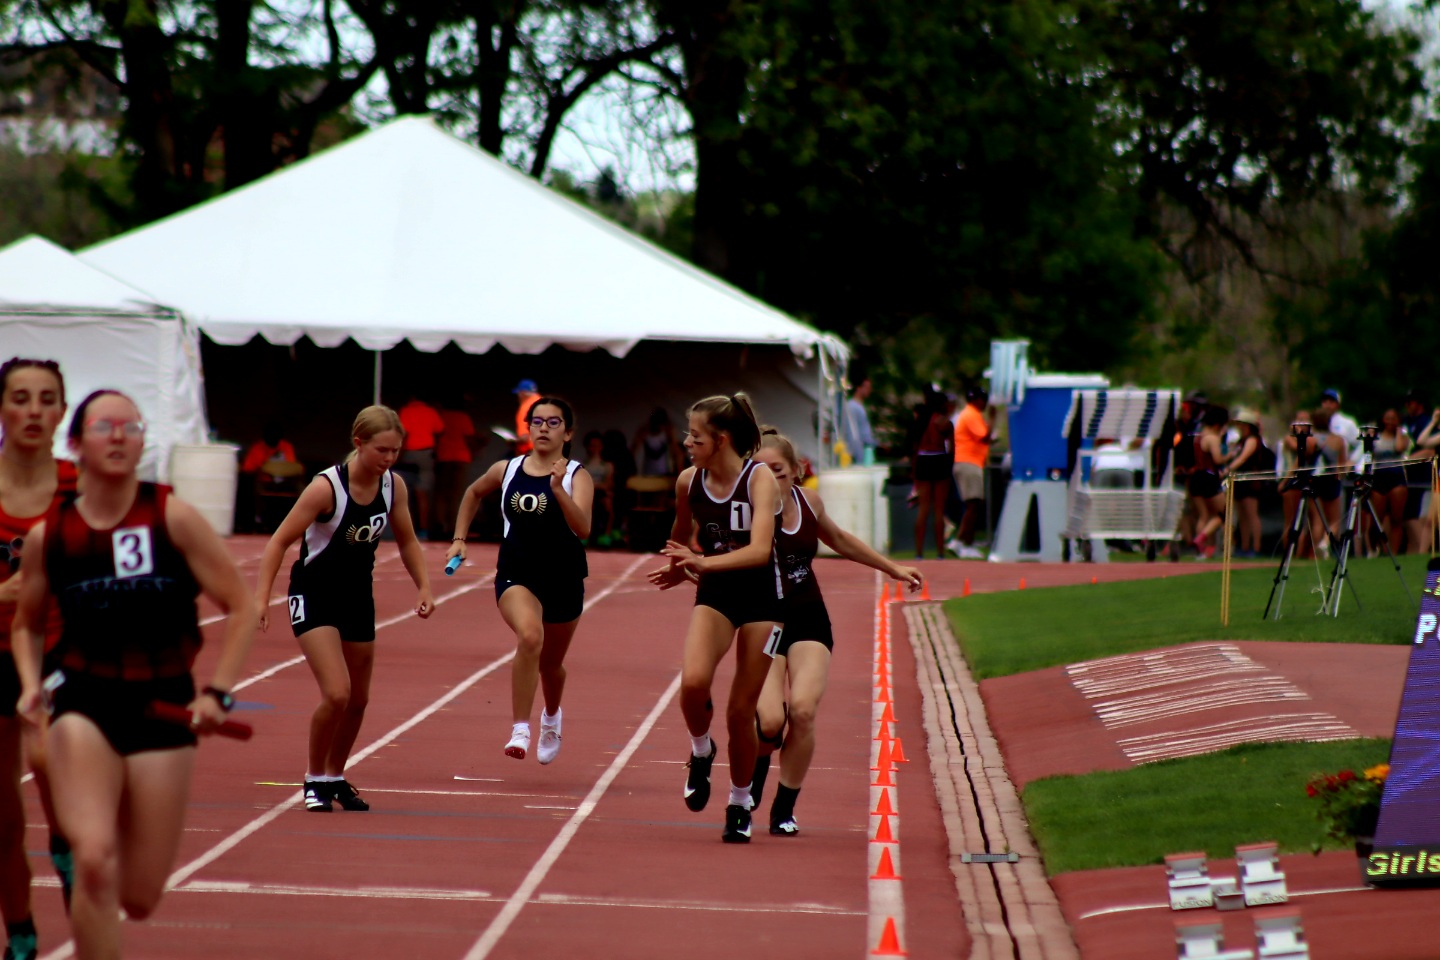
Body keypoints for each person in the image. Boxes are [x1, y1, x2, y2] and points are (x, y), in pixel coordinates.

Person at [10, 389, 256, 960]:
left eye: (131, 426)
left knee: (141, 895)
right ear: (75, 445)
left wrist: (218, 692)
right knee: (92, 861)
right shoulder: (53, 536)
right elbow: (26, 626)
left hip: (163, 709)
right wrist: (29, 685)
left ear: (144, 442)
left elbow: (240, 606)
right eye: (104, 426)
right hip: (84, 705)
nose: (119, 435)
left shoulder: (172, 517)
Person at [254, 406, 434, 813]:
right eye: (381, 450)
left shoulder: (394, 487)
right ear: (359, 444)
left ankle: (335, 776)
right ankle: (314, 778)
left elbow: (406, 540)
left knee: (359, 700)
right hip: (314, 595)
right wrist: (260, 599)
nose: (389, 459)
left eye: (396, 451)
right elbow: (279, 541)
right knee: (336, 693)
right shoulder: (326, 488)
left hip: (357, 597)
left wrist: (423, 585)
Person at [748, 428, 921, 835]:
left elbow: (840, 539)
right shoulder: (747, 512)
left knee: (803, 711)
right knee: (771, 720)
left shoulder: (809, 503)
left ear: (797, 472)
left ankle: (783, 809)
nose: (769, 479)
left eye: (777, 470)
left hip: (808, 619)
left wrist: (892, 568)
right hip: (762, 622)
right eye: (759, 472)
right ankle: (751, 780)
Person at [648, 393, 781, 844]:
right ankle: (701, 751)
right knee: (693, 684)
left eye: (695, 435)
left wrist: (702, 563)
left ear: (720, 440)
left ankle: (740, 802)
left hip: (764, 596)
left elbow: (761, 551)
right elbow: (680, 531)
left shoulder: (759, 478)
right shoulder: (689, 481)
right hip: (718, 593)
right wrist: (676, 563)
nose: (686, 442)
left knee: (740, 710)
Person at [446, 397, 592, 763]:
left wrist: (558, 490)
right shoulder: (506, 469)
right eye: (537, 421)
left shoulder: (577, 475)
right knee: (530, 636)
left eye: (553, 422)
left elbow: (584, 528)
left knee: (551, 665)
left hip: (564, 576)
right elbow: (472, 492)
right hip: (517, 572)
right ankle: (520, 729)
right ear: (528, 428)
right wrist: (459, 539)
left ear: (568, 432)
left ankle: (551, 716)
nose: (543, 428)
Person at [0, 359, 77, 960]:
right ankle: (21, 932)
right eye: (20, 397)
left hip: (62, 653)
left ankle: (73, 857)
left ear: (61, 411)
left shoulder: (85, 487)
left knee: (50, 767)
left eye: (45, 399)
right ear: (2, 408)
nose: (32, 409)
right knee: (2, 818)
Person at [946, 387, 992, 559]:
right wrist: (993, 418)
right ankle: (959, 542)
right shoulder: (971, 414)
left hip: (969, 462)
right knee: (973, 505)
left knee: (974, 504)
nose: (986, 402)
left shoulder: (971, 414)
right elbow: (984, 436)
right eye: (984, 399)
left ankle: (967, 543)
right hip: (968, 462)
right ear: (977, 400)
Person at [1224, 409, 1273, 558]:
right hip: (1240, 480)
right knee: (1242, 516)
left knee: (1251, 515)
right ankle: (1244, 546)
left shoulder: (1252, 440)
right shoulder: (1240, 441)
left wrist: (1228, 469)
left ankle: (1256, 547)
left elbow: (1243, 458)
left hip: (1250, 481)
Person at [910, 390, 953, 559]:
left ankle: (919, 552)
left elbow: (913, 447)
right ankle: (940, 552)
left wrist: (914, 471)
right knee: (939, 509)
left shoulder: (920, 421)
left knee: (923, 509)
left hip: (922, 459)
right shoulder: (944, 423)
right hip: (939, 459)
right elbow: (951, 449)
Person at [397, 394, 445, 538]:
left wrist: (397, 456)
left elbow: (403, 434)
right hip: (426, 453)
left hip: (409, 453)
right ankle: (423, 530)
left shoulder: (406, 411)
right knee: (422, 493)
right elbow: (440, 431)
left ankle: (407, 529)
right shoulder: (430, 411)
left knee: (405, 494)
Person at [239, 421, 300, 533]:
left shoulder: (286, 447)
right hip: (265, 482)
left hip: (284, 481)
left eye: (276, 435)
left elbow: (291, 466)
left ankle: (299, 521)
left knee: (302, 487)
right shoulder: (257, 448)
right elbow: (247, 469)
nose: (273, 438)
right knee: (251, 487)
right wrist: (264, 466)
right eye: (270, 435)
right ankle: (257, 520)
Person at [1189, 406, 1232, 559]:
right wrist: (1231, 454)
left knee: (1203, 515)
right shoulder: (1213, 438)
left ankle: (1201, 550)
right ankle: (1202, 538)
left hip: (1196, 477)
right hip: (1208, 477)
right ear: (1217, 425)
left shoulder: (1198, 437)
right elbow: (1217, 459)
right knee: (1223, 513)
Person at [434, 394, 477, 544]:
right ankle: (454, 527)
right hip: (461, 457)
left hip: (443, 456)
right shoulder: (463, 417)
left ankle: (440, 525)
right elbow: (469, 437)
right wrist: (474, 452)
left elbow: (436, 434)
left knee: (441, 494)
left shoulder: (441, 415)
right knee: (457, 494)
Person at [1366, 409, 1410, 557]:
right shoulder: (1376, 436)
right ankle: (1374, 548)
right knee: (1376, 519)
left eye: (1393, 418)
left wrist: (1399, 431)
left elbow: (1399, 448)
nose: (1390, 421)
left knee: (1396, 519)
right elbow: (1367, 453)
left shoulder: (1403, 437)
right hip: (1379, 477)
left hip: (1396, 478)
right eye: (1387, 418)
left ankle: (1393, 551)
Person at [1401, 390, 1435, 554]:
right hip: (1410, 477)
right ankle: (1416, 552)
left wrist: (1406, 459)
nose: (1408, 405)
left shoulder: (1426, 421)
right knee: (1410, 517)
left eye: (1411, 402)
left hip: (1425, 478)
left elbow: (1429, 449)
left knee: (1422, 518)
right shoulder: (1406, 422)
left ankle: (1423, 551)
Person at [581, 431, 615, 547]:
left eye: (597, 445)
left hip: (601, 493)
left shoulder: (607, 465)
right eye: (592, 445)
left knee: (608, 502)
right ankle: (585, 533)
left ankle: (606, 534)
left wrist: (595, 485)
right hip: (587, 493)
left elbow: (608, 484)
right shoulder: (582, 465)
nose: (594, 448)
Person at [632, 407, 681, 477]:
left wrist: (679, 472)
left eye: (662, 425)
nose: (660, 428)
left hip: (664, 472)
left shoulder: (668, 431)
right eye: (657, 425)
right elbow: (633, 451)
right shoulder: (644, 432)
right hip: (648, 472)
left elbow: (677, 453)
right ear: (653, 423)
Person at [840, 377, 877, 465]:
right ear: (859, 388)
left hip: (866, 454)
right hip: (858, 456)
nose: (869, 390)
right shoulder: (852, 407)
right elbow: (853, 434)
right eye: (867, 387)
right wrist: (856, 456)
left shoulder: (861, 407)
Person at [513, 380, 540, 456]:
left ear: (523, 393)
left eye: (519, 393)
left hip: (531, 452)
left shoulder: (526, 407)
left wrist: (514, 441)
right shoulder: (545, 403)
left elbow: (524, 437)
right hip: (549, 452)